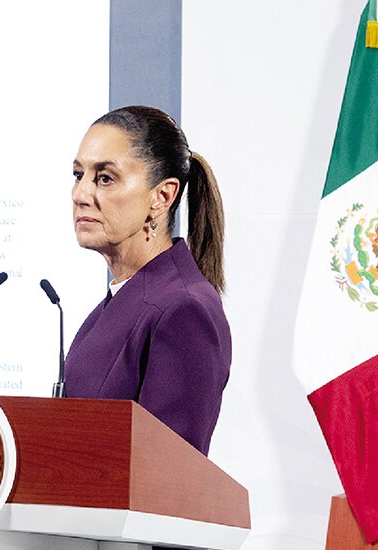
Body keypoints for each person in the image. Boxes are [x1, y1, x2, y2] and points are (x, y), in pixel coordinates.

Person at [64, 105, 230, 456]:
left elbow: (167, 475)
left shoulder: (183, 310)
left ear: (162, 196)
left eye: (105, 178)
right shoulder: (120, 299)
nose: (81, 194)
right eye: (78, 175)